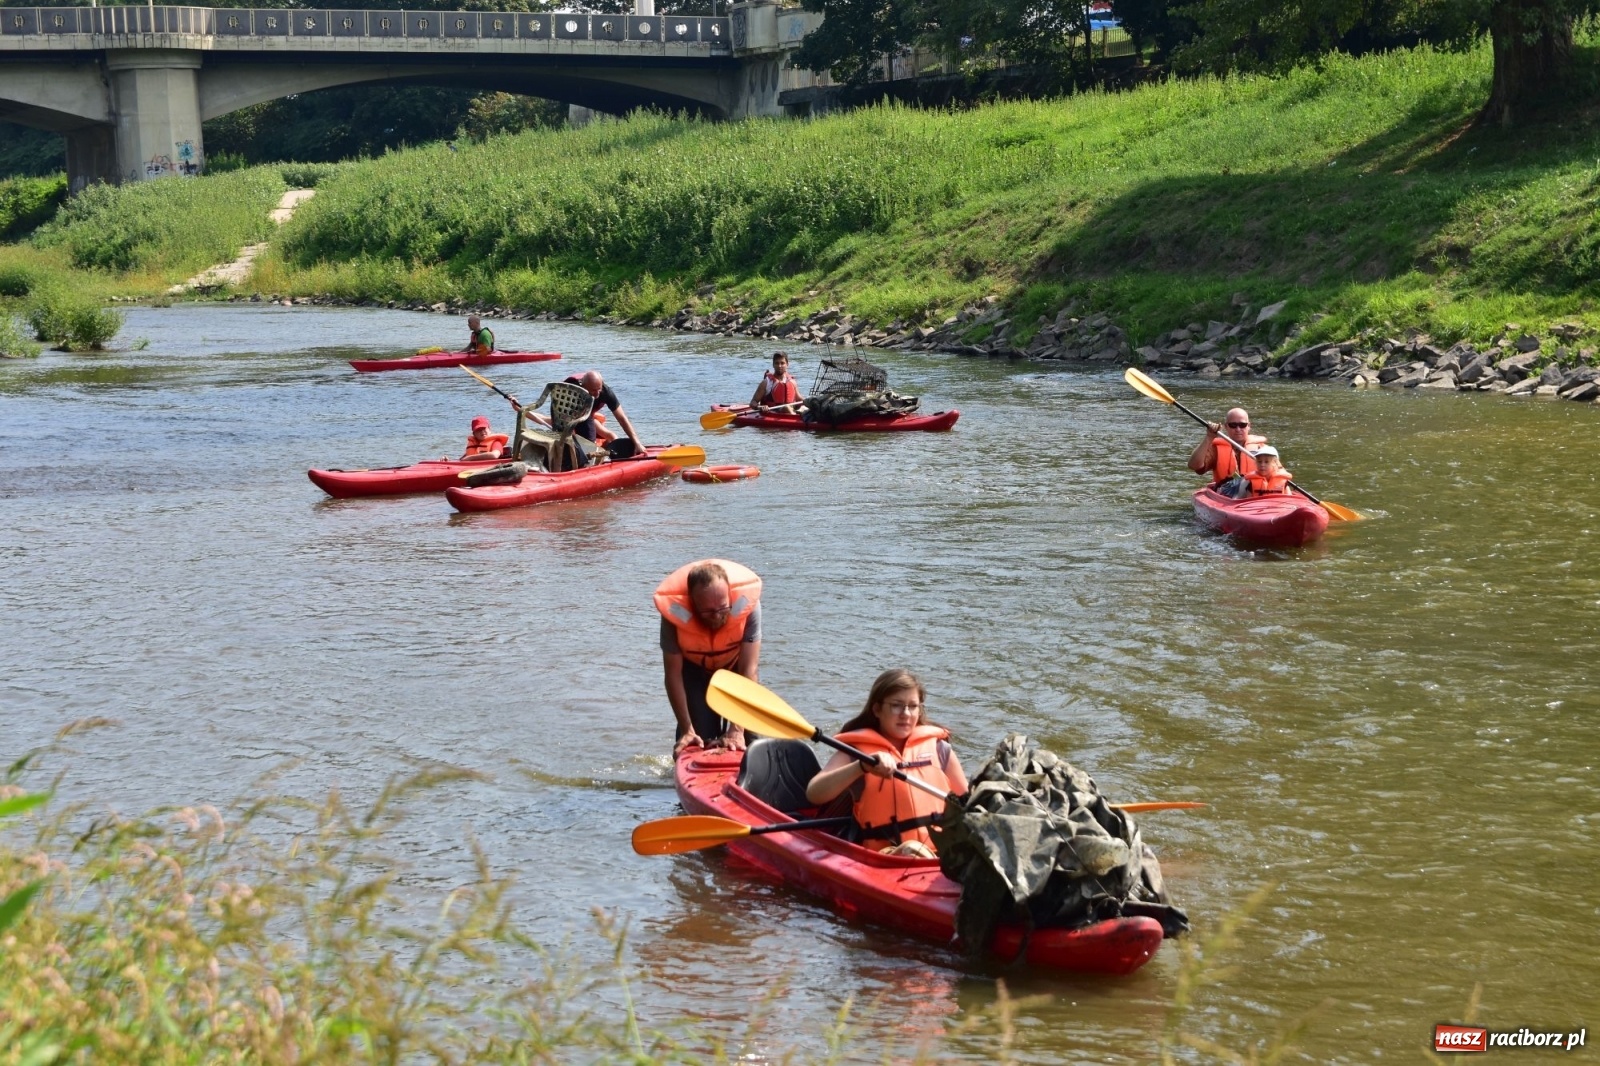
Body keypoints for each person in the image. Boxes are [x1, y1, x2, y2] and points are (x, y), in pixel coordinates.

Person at [805, 669, 968, 859]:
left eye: (913, 706)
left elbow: (968, 804)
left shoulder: (940, 749)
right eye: (897, 706)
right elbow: (814, 793)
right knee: (910, 851)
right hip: (884, 859)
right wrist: (861, 767)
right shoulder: (856, 753)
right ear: (877, 709)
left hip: (941, 857)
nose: (906, 714)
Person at [657, 559, 762, 755]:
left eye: (723, 608)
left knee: (750, 742)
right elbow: (673, 675)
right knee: (696, 741)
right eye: (708, 611)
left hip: (736, 669)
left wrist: (736, 730)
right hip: (695, 669)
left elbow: (749, 670)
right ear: (693, 604)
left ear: (730, 597)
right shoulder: (674, 614)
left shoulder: (748, 606)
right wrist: (687, 729)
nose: (716, 616)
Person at [1188, 406, 1267, 497]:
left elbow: (1277, 474)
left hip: (1255, 495)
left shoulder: (1263, 449)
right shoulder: (1216, 449)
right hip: (1226, 494)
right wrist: (1209, 437)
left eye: (1242, 425)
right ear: (1226, 427)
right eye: (1233, 425)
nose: (1238, 429)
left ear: (1249, 426)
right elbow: (1193, 465)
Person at [567, 370, 645, 459]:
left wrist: (637, 442)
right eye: (593, 390)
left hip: (587, 413)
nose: (597, 394)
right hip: (565, 410)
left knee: (589, 445)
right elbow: (564, 416)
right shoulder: (572, 388)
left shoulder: (606, 392)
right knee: (570, 443)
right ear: (583, 386)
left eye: (599, 389)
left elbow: (622, 418)